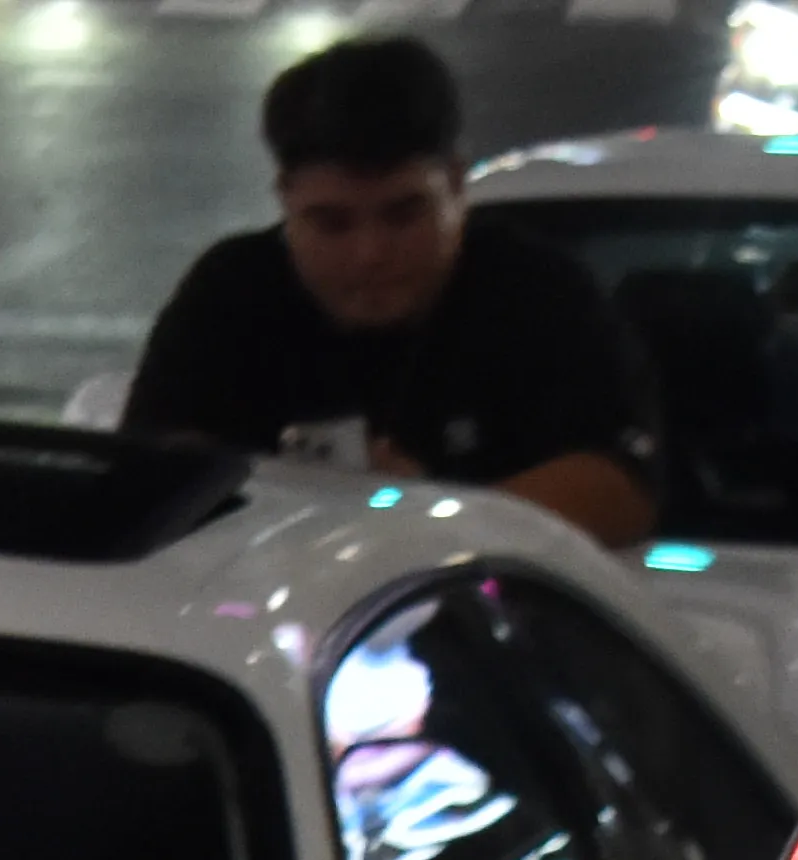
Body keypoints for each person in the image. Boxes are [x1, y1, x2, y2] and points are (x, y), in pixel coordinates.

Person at [126, 39, 660, 550]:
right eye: (332, 224)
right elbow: (146, 477)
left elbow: (622, 488)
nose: (370, 254)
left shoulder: (534, 290)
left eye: (403, 216)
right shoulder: (231, 294)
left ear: (455, 184)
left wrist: (428, 520)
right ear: (285, 199)